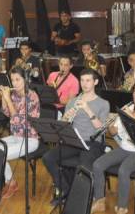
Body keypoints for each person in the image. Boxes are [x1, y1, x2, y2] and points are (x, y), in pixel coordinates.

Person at [92, 80, 135, 214]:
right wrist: (109, 125)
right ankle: (100, 200)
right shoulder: (128, 107)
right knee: (97, 165)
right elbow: (114, 133)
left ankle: (122, 207)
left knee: (124, 170)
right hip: (126, 148)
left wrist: (130, 116)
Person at [43, 68, 109, 206]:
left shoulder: (103, 103)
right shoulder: (73, 101)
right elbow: (62, 126)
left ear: (95, 82)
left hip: (93, 143)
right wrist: (66, 118)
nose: (84, 84)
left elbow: (101, 129)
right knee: (48, 158)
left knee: (83, 166)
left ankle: (82, 197)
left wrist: (87, 108)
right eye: (82, 80)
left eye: (88, 80)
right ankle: (66, 189)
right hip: (73, 140)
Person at [0, 66, 40, 199]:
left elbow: (18, 120)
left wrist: (7, 99)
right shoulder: (14, 95)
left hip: (29, 139)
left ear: (25, 80)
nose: (15, 83)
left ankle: (8, 183)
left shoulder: (32, 96)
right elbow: (7, 113)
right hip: (15, 136)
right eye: (13, 80)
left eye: (18, 79)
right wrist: (3, 97)